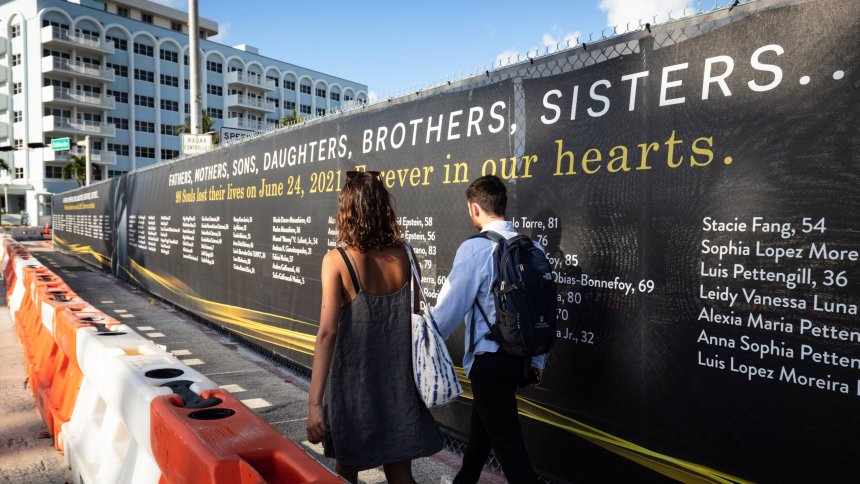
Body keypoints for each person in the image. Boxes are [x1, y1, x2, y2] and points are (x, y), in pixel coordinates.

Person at [306, 170, 443, 484]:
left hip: (354, 391)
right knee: (400, 476)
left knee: (345, 473)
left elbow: (327, 333)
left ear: (347, 210)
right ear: (384, 208)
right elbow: (413, 321)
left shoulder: (337, 261)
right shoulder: (407, 255)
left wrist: (315, 404)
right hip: (399, 386)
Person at [434, 175, 547, 484]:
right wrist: (538, 362)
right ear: (502, 206)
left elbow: (448, 311)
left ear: (475, 209)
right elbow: (542, 309)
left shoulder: (475, 249)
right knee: (483, 432)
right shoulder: (533, 247)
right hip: (520, 359)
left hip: (490, 363)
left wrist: (424, 346)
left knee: (510, 446)